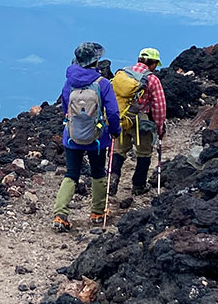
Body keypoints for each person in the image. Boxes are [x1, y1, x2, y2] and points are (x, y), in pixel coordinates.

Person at [52, 42, 121, 231]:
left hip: (72, 136)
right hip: (97, 138)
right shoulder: (102, 83)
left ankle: (60, 215)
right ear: (95, 61)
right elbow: (113, 112)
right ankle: (97, 213)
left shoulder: (69, 82)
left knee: (71, 174)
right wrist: (115, 130)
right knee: (98, 173)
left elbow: (66, 109)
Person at [110, 47, 167, 196]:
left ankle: (113, 180)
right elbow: (159, 106)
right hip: (142, 121)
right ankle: (138, 185)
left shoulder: (122, 73)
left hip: (122, 118)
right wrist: (160, 128)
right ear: (153, 63)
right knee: (144, 153)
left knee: (118, 151)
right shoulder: (152, 79)